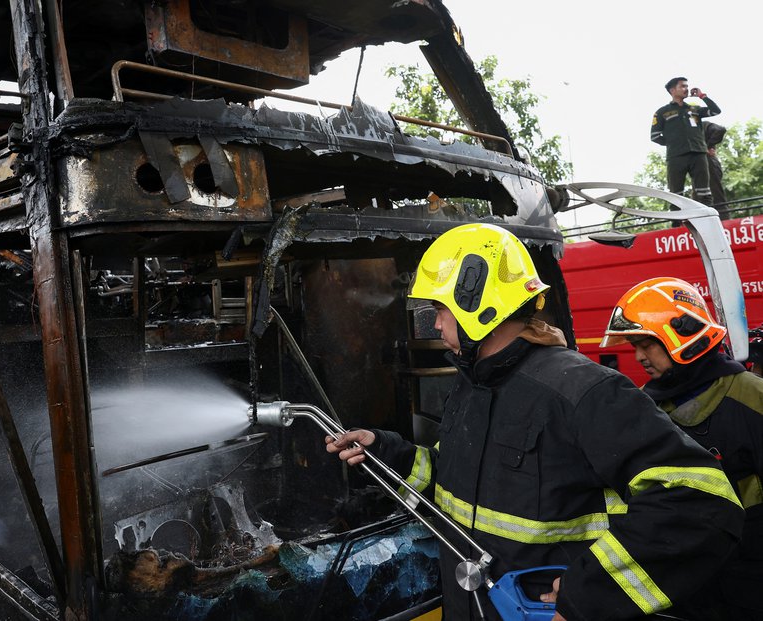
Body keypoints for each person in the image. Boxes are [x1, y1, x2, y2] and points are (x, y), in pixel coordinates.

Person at [325, 223, 743, 621]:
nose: (435, 323)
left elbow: (700, 500)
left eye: (440, 309)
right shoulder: (471, 387)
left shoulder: (583, 389)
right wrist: (384, 451)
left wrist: (589, 596)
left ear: (477, 303)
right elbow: (457, 483)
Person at [602, 277, 763, 620]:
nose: (639, 356)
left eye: (647, 343)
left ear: (684, 333)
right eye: (635, 346)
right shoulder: (644, 407)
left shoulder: (751, 398)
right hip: (682, 592)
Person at [650, 77, 721, 205]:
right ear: (672, 90)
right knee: (676, 197)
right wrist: (674, 143)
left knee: (704, 194)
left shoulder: (695, 110)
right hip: (676, 157)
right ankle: (677, 224)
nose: (686, 89)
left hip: (698, 154)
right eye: (682, 86)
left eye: (687, 86)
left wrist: (702, 96)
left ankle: (706, 223)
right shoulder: (662, 112)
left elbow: (716, 110)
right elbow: (654, 136)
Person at [704, 122, 728, 212]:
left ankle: (724, 219)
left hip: (708, 160)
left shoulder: (703, 125)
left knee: (715, 192)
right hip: (697, 163)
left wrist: (706, 146)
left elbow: (720, 129)